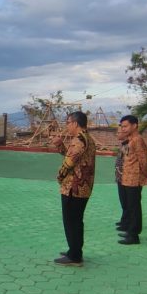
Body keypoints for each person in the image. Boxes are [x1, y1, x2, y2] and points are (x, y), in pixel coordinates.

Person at [51, 111, 96, 267]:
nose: (67, 126)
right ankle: (75, 251)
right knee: (76, 221)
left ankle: (75, 256)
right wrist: (60, 145)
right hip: (82, 187)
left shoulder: (79, 140)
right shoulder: (86, 138)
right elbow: (71, 156)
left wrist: (59, 177)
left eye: (68, 123)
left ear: (75, 123)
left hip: (74, 188)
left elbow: (69, 163)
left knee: (71, 221)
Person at [116, 115, 147, 245]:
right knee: (130, 206)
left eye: (125, 126)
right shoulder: (130, 140)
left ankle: (134, 236)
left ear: (134, 125)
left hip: (134, 179)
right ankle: (130, 230)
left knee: (134, 207)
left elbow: (143, 160)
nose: (123, 129)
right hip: (126, 178)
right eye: (122, 126)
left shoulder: (138, 140)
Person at [114, 127, 129, 232]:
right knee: (123, 201)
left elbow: (127, 162)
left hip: (125, 178)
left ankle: (127, 223)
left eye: (119, 132)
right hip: (120, 178)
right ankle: (124, 220)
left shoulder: (127, 145)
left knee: (126, 201)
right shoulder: (123, 145)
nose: (117, 134)